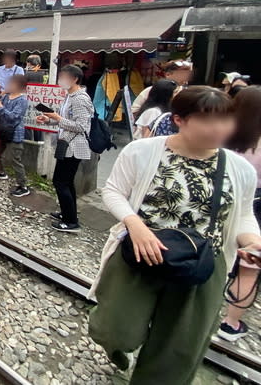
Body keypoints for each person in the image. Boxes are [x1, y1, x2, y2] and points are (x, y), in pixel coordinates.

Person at [88, 87, 261, 384]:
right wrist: (135, 224)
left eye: (225, 120)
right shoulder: (142, 151)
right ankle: (117, 348)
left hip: (203, 264)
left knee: (177, 348)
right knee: (114, 329)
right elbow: (114, 191)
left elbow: (244, 215)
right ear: (179, 119)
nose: (219, 129)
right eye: (208, 120)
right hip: (141, 253)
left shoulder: (239, 168)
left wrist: (252, 243)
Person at [219, 86, 261, 341]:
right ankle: (230, 322)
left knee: (215, 252)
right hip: (255, 204)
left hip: (220, 198)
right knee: (248, 269)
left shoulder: (222, 132)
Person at [36, 64, 93, 233]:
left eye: (64, 77)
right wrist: (48, 120)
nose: (61, 80)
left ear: (75, 79)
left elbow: (81, 126)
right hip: (65, 143)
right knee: (66, 182)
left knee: (60, 181)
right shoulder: (69, 96)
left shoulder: (80, 98)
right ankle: (68, 214)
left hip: (75, 146)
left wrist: (58, 118)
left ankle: (71, 222)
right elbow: (64, 120)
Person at [0, 74, 30, 197]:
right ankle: (0, 172)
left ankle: (23, 186)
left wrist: (0, 106)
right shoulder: (6, 96)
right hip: (1, 130)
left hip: (14, 133)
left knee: (15, 160)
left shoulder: (22, 100)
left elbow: (14, 118)